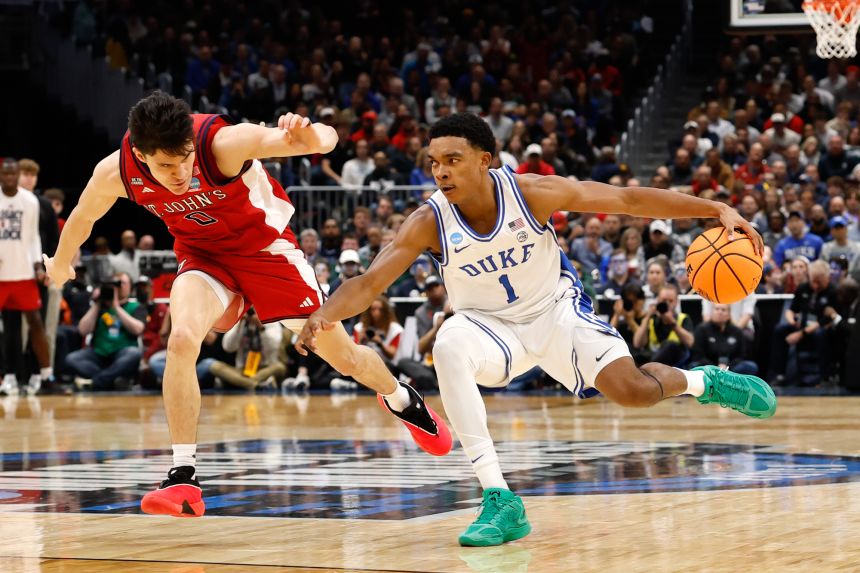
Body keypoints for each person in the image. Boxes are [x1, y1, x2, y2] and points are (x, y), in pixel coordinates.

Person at [296, 113, 776, 547]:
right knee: (448, 343)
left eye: (453, 160)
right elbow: (371, 279)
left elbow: (628, 199)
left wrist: (715, 209)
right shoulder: (428, 221)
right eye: (433, 162)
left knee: (633, 392)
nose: (440, 171)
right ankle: (499, 498)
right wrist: (325, 313)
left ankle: (705, 381)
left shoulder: (531, 193)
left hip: (555, 312)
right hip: (490, 329)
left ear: (485, 160)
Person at [42, 91, 451, 519]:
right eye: (166, 166)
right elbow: (83, 216)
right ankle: (183, 476)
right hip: (203, 256)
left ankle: (401, 398)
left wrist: (308, 131)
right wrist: (61, 262)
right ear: (142, 155)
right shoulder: (116, 172)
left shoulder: (221, 144)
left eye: (184, 159)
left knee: (344, 357)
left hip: (266, 251)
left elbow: (325, 141)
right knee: (181, 338)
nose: (180, 173)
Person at [0, 159, 55, 396]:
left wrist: (38, 267)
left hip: (23, 273)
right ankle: (8, 376)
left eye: (14, 174)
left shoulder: (31, 201)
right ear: (1, 175)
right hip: (1, 275)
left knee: (36, 323)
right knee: (10, 329)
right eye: (6, 174)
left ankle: (45, 374)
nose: (11, 178)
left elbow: (34, 238)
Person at [64, 272, 146, 390]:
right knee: (71, 359)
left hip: (121, 354)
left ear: (130, 287)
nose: (118, 287)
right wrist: (97, 304)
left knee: (134, 354)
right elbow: (82, 330)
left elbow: (138, 329)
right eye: (115, 284)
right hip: (98, 354)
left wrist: (116, 307)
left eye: (122, 283)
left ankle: (98, 381)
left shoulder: (136, 306)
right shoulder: (100, 306)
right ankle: (110, 379)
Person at [632, 284, 695, 366]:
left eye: (671, 301)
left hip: (674, 360)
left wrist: (673, 324)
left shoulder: (683, 318)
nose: (667, 304)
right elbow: (637, 344)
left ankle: (647, 369)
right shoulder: (651, 318)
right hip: (653, 355)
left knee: (669, 344)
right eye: (664, 300)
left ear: (676, 302)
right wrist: (647, 317)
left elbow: (690, 342)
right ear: (658, 300)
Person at [691, 303, 758, 375]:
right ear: (712, 312)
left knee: (750, 366)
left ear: (729, 314)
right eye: (717, 309)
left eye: (723, 310)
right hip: (708, 368)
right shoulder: (702, 329)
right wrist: (715, 368)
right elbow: (698, 355)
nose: (720, 312)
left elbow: (742, 355)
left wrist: (727, 366)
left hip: (731, 369)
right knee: (694, 366)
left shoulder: (736, 331)